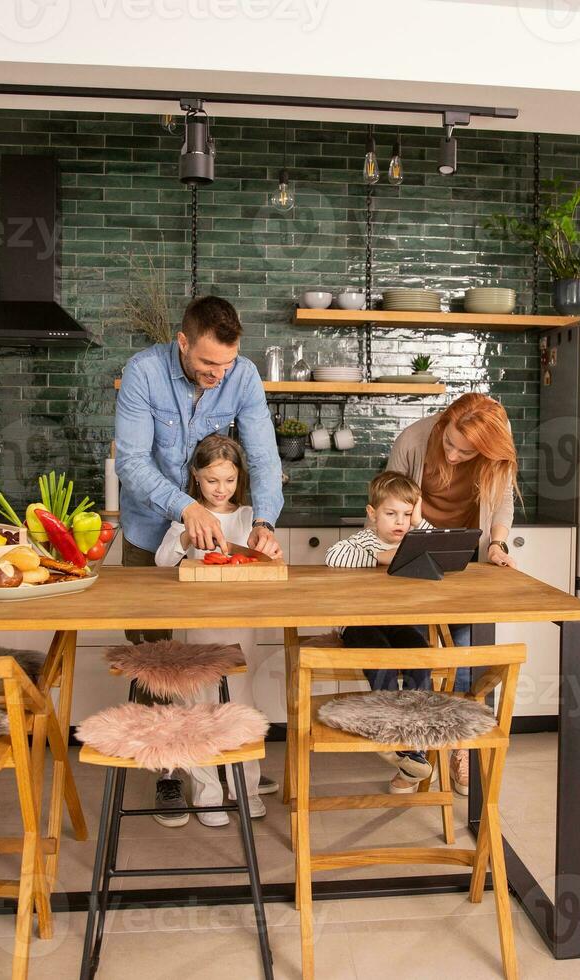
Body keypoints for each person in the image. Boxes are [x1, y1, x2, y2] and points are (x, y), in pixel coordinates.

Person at [115, 295, 284, 822]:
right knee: (158, 658)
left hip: (217, 543)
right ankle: (168, 771)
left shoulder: (243, 376)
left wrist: (263, 522)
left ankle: (227, 762)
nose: (218, 374)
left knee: (220, 661)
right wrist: (185, 507)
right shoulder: (143, 372)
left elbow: (262, 455)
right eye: (209, 363)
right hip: (149, 531)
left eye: (226, 365)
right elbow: (132, 462)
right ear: (183, 343)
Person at [386, 393, 520, 794]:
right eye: (450, 444)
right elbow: (388, 498)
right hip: (412, 553)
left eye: (468, 451)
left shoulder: (493, 451)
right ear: (443, 422)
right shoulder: (413, 439)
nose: (456, 456)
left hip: (465, 558)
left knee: (464, 649)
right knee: (417, 653)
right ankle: (416, 753)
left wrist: (498, 545)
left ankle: (461, 746)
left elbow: (502, 503)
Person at [153, 434, 267, 826]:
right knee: (199, 708)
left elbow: (264, 560)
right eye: (212, 480)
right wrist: (186, 535)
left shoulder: (250, 515)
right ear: (196, 477)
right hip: (199, 626)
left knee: (241, 707)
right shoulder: (186, 516)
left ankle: (245, 789)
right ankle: (207, 793)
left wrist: (270, 551)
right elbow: (163, 562)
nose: (221, 490)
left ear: (240, 479)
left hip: (241, 625)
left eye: (229, 481)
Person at [325, 471, 439, 793]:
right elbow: (334, 556)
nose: (399, 522)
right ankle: (390, 730)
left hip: (401, 623)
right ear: (373, 514)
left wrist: (420, 520)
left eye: (406, 514)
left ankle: (411, 750)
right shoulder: (365, 540)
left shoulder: (415, 541)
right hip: (361, 625)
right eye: (391, 514)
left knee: (421, 657)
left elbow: (440, 545)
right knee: (384, 661)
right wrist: (384, 556)